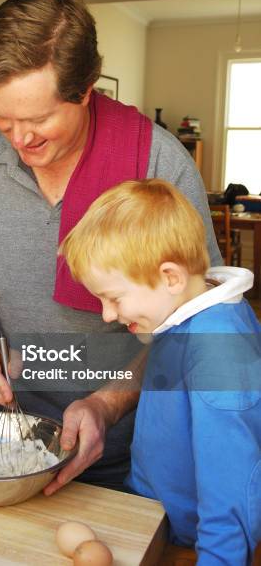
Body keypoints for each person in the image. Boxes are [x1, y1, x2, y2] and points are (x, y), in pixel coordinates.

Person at [0, 0, 222, 495]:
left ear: (85, 90)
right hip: (13, 438)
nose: (19, 139)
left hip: (142, 447)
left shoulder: (159, 165)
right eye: (3, 118)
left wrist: (107, 403)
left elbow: (195, 318)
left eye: (38, 119)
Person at [59, 178, 261, 565]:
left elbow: (232, 495)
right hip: (154, 520)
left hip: (192, 545)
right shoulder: (177, 317)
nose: (107, 315)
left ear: (170, 277)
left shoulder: (219, 353)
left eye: (113, 298)